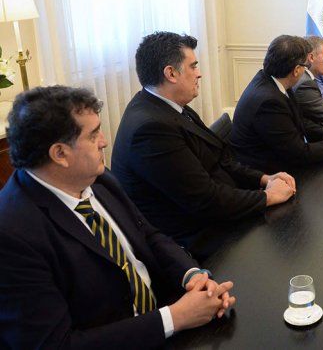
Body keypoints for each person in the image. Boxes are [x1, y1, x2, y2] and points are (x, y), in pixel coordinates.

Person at [0, 86, 236, 348]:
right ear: (60, 154)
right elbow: (56, 344)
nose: (104, 141)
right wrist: (174, 318)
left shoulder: (99, 177)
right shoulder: (12, 233)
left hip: (164, 315)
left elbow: (147, 235)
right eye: (93, 135)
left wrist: (191, 275)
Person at [112, 32, 295, 259]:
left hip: (218, 213)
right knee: (286, 248)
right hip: (195, 240)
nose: (199, 74)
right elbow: (205, 201)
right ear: (170, 73)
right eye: (193, 66)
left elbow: (220, 159)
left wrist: (264, 179)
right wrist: (267, 197)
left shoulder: (171, 106)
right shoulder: (149, 129)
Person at [230, 35, 323, 173]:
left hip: (282, 160)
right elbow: (299, 154)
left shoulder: (275, 81)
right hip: (266, 175)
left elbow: (300, 122)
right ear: (296, 70)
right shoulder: (269, 102)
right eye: (305, 65)